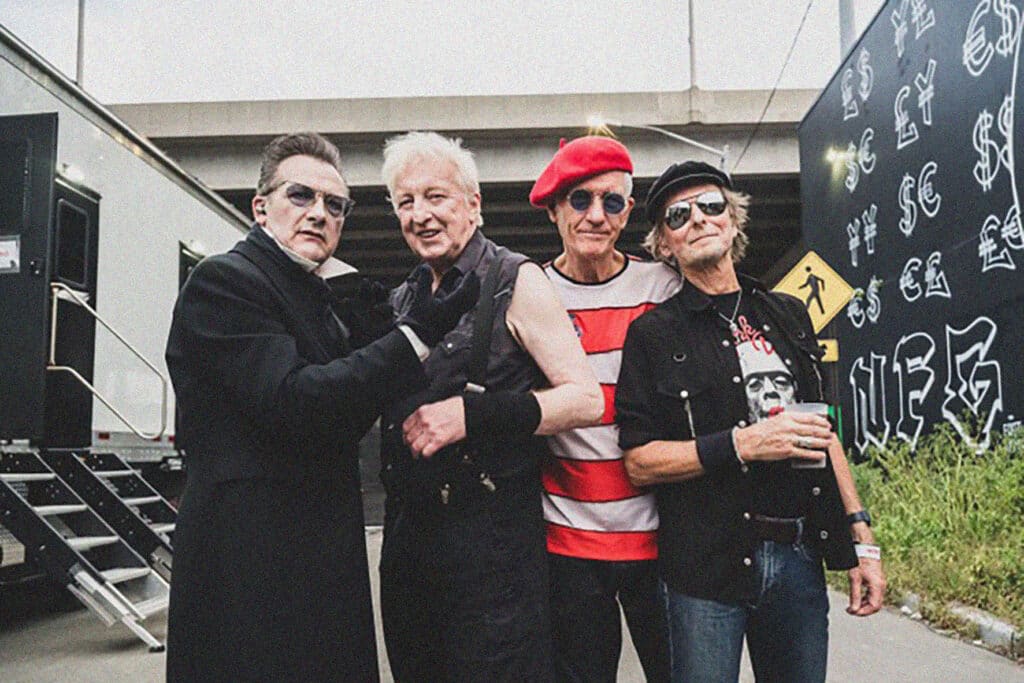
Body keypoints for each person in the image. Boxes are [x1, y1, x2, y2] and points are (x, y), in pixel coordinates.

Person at [164, 132, 478, 682]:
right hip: (249, 566)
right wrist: (411, 336)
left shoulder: (313, 296)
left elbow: (345, 414)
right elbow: (296, 401)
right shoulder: (224, 281)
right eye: (300, 195)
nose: (319, 213)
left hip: (316, 561)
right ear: (260, 207)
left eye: (336, 205)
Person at [615, 161, 886, 683]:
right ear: (664, 244)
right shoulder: (652, 335)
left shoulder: (788, 314)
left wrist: (861, 538)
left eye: (711, 205)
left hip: (798, 556)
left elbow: (824, 435)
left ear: (733, 220)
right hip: (703, 568)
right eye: (678, 215)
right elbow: (639, 463)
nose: (698, 219)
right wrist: (742, 443)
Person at [377, 131, 604, 682]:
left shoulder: (515, 279)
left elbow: (585, 399)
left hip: (493, 549)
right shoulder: (403, 298)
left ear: (473, 204)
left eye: (436, 196)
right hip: (410, 544)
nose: (421, 215)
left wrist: (473, 416)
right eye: (406, 202)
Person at [528, 136, 677, 682]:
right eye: (580, 200)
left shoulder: (663, 286)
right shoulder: (530, 292)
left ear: (628, 212)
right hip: (567, 541)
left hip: (662, 539)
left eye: (611, 202)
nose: (596, 216)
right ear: (554, 209)